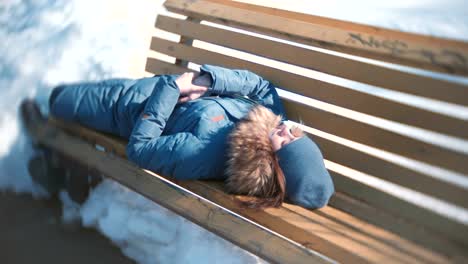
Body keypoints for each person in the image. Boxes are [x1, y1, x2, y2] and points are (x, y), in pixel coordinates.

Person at [47, 64, 334, 209]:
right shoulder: (271, 117)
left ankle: (50, 162)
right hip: (144, 87)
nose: (285, 130)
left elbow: (140, 149)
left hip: (122, 109)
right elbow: (260, 85)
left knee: (57, 99)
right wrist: (207, 81)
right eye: (295, 134)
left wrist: (173, 89)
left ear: (275, 168)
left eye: (285, 143)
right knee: (70, 94)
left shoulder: (205, 153)